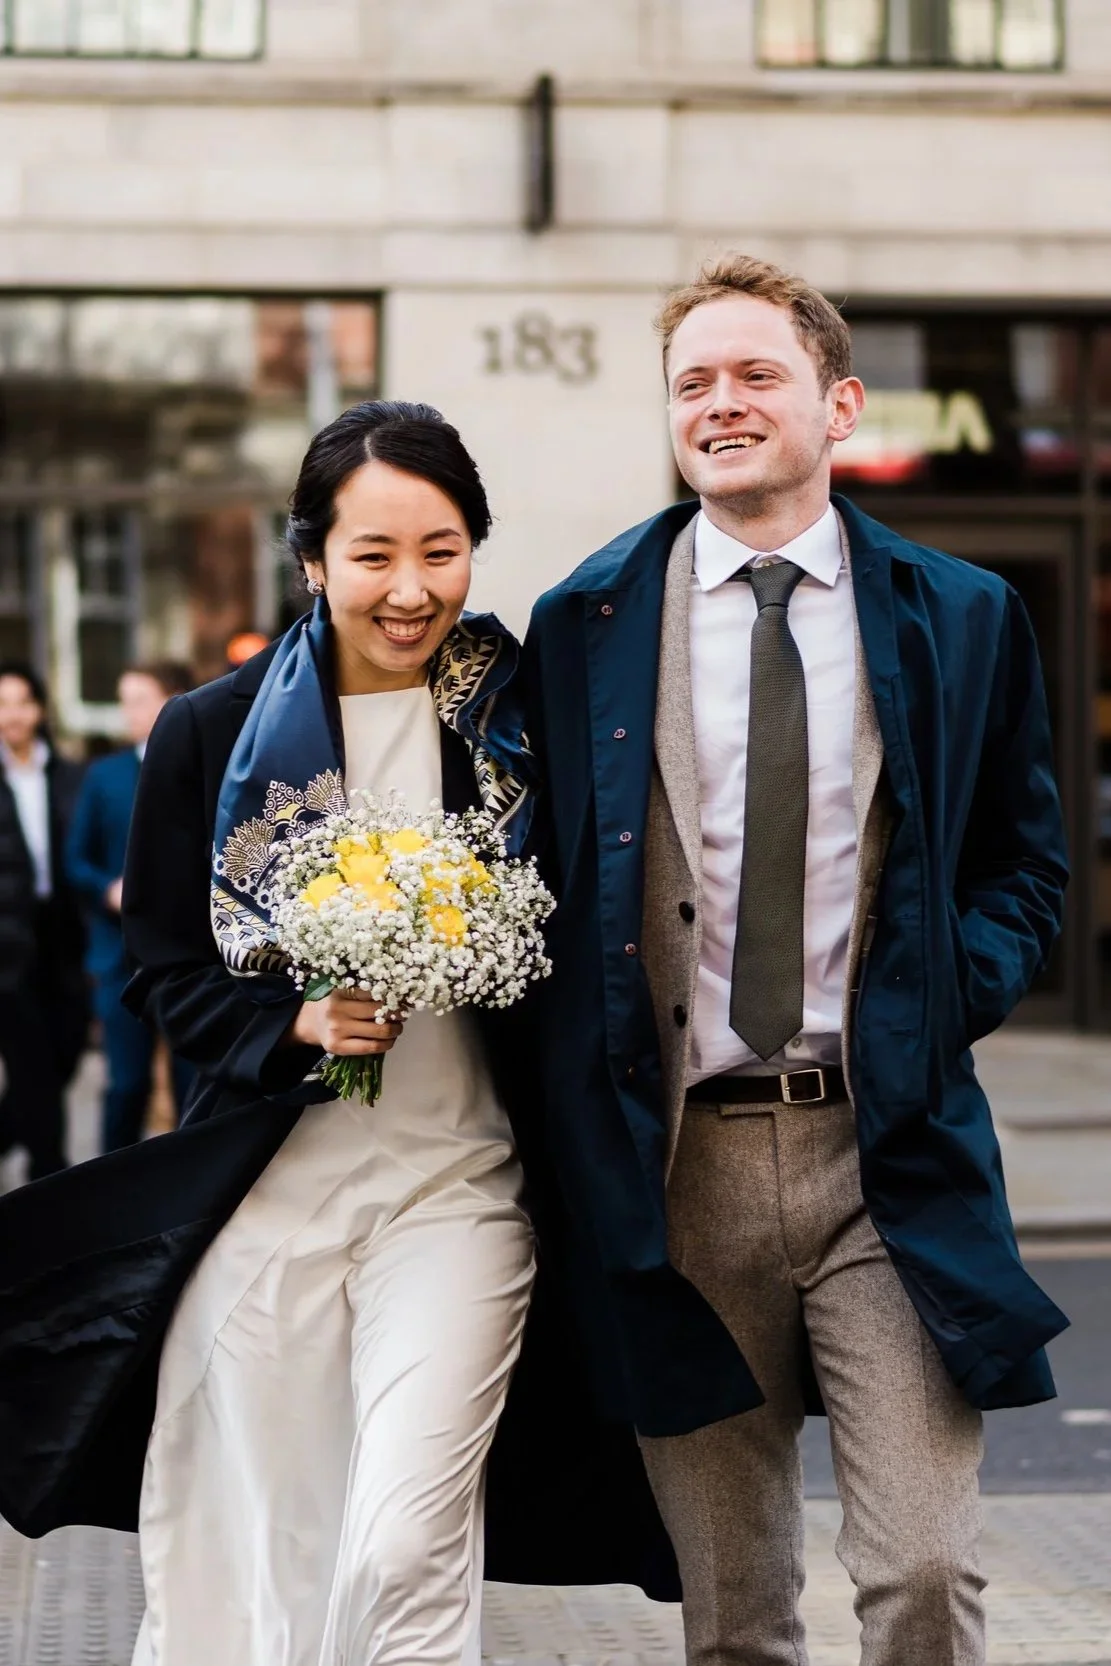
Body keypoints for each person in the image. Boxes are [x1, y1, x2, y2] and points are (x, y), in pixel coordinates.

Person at [0, 401, 674, 1665]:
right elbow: (159, 968)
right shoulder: (210, 730)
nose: (410, 588)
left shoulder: (521, 726)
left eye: (442, 549)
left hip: (459, 1188)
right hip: (269, 1197)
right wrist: (291, 1017)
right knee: (255, 1550)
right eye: (373, 555)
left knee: (404, 1545)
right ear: (309, 558)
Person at [521, 255, 1071, 1666]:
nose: (718, 403)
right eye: (690, 382)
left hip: (878, 1156)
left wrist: (957, 987)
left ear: (836, 403)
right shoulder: (583, 622)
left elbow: (1022, 858)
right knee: (734, 1618)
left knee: (921, 1571)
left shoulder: (954, 616)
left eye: (753, 373)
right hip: (674, 1173)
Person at [66, 661, 196, 1152]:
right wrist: (107, 889)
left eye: (139, 700)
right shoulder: (104, 776)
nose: (129, 713)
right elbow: (76, 860)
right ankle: (109, 1198)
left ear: (174, 700)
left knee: (194, 1086)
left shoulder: (202, 765)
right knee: (126, 1086)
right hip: (119, 958)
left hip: (188, 957)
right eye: (124, 701)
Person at [0, 662, 88, 1181]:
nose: (11, 715)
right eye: (2, 704)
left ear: (38, 710)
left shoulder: (70, 774)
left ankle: (16, 1134)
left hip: (64, 931)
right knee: (32, 1060)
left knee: (67, 1050)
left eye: (19, 702)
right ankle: (49, 1172)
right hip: (7, 940)